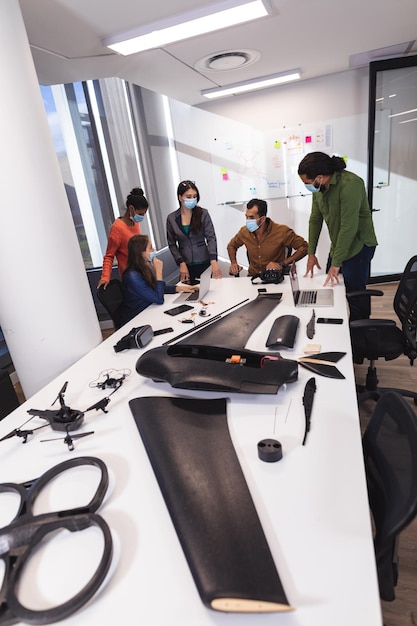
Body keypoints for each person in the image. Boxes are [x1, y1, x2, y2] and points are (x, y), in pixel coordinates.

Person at [298, 152, 378, 320]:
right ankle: (333, 329)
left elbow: (349, 227)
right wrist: (311, 253)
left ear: (319, 177)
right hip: (339, 244)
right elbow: (315, 219)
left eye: (306, 182)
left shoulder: (351, 185)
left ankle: (360, 332)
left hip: (359, 246)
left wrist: (336, 262)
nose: (306, 186)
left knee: (355, 293)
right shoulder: (319, 188)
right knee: (331, 290)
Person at [120, 235, 197, 325]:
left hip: (149, 311)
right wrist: (159, 272)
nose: (154, 251)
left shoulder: (142, 268)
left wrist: (179, 288)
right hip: (136, 319)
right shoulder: (132, 276)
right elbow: (158, 298)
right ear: (142, 253)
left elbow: (156, 287)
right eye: (151, 248)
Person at [227, 198, 308, 277]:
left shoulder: (282, 231)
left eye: (251, 217)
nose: (248, 221)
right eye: (246, 217)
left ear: (262, 219)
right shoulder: (244, 231)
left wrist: (282, 263)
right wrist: (234, 263)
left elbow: (305, 247)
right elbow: (231, 246)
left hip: (274, 277)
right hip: (253, 277)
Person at [166, 180, 222, 283]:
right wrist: (181, 262)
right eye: (188, 197)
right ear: (180, 197)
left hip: (204, 262)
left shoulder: (203, 213)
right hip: (185, 264)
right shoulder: (172, 218)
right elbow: (172, 244)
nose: (192, 199)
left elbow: (211, 238)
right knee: (189, 294)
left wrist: (213, 260)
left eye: (194, 196)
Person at [98, 188, 149, 289]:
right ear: (131, 208)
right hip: (131, 278)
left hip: (142, 273)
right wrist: (105, 277)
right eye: (140, 214)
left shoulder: (135, 222)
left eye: (144, 214)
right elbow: (109, 256)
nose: (142, 217)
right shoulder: (117, 229)